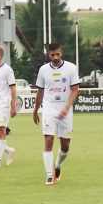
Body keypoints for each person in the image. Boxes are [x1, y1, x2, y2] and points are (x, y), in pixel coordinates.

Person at [33, 42, 80, 185]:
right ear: (48, 54)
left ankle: (58, 164)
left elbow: (75, 89)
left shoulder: (71, 68)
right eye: (52, 54)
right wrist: (35, 110)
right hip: (49, 107)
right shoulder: (43, 70)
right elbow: (40, 91)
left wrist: (67, 107)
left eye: (57, 54)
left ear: (62, 53)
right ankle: (49, 175)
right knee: (48, 140)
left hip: (65, 108)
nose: (55, 57)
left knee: (65, 145)